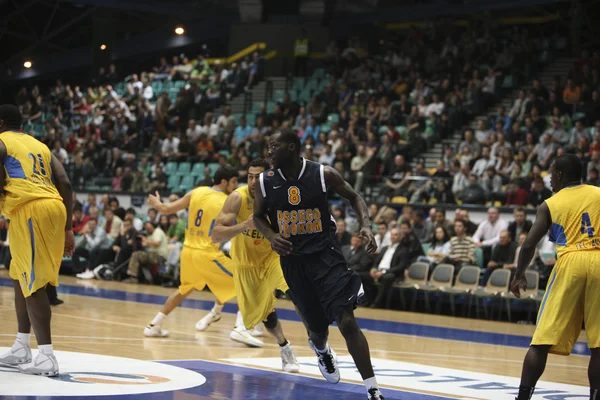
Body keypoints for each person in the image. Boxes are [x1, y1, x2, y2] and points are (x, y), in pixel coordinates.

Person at [254, 129, 384, 400]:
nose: (268, 152)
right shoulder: (264, 182)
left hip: (327, 257)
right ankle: (322, 351)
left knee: (347, 321)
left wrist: (367, 226)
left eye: (273, 146)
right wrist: (271, 236)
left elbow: (355, 197)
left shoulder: (323, 174)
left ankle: (373, 390)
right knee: (317, 330)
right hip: (294, 262)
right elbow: (258, 217)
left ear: (291, 147)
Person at [511, 154, 600, 400]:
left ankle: (523, 397)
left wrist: (519, 274)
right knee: (599, 344)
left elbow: (529, 244)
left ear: (560, 174)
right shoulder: (599, 193)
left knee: (541, 340)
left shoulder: (550, 203)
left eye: (551, 174)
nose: (550, 179)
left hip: (570, 262)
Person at [143, 165, 262, 347]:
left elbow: (166, 209)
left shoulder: (196, 192)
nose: (236, 185)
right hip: (206, 253)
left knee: (184, 289)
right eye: (234, 181)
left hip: (188, 251)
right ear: (224, 182)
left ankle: (154, 325)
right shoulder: (228, 200)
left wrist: (157, 203)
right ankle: (241, 329)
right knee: (246, 281)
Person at [0, 105, 75, 376]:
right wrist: (68, 228)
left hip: (32, 209)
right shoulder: (40, 145)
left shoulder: (2, 142)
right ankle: (22, 346)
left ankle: (46, 356)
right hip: (50, 208)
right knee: (20, 277)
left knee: (33, 285)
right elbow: (65, 182)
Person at [211, 159, 299, 372]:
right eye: (250, 176)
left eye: (258, 176)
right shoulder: (236, 198)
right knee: (266, 314)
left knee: (297, 290)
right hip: (245, 264)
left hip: (272, 257)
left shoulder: (278, 197)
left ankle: (319, 344)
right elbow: (215, 235)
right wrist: (244, 225)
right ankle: (284, 347)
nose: (252, 181)